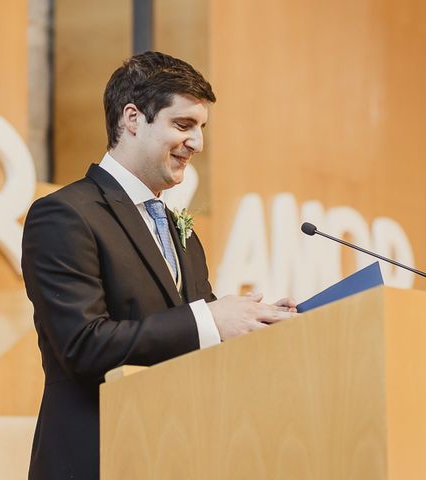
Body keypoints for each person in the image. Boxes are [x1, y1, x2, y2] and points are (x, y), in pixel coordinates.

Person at [21, 51, 296, 480]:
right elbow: (83, 346)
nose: (198, 143)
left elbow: (196, 338)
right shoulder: (65, 214)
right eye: (183, 125)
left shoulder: (178, 228)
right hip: (95, 457)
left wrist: (258, 324)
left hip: (175, 453)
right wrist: (211, 317)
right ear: (132, 118)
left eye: (201, 128)